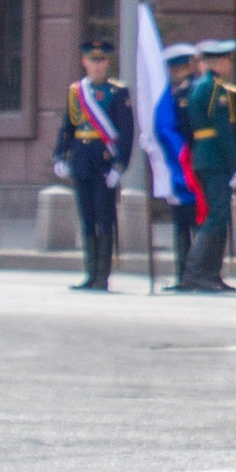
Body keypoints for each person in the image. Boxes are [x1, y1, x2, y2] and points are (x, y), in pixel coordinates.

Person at [53, 38, 135, 291]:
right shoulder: (76, 91)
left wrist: (120, 165)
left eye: (101, 61)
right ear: (84, 62)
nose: (97, 66)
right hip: (81, 159)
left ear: (108, 63)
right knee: (87, 217)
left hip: (104, 161)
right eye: (92, 60)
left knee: (104, 217)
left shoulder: (118, 92)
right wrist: (60, 155)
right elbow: (68, 126)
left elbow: (126, 132)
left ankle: (103, 275)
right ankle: (90, 273)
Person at [174, 42, 236, 293]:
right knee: (217, 215)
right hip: (215, 157)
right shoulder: (214, 88)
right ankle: (197, 272)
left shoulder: (199, 85)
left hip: (204, 155)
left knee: (216, 214)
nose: (229, 66)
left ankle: (210, 273)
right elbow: (222, 130)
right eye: (227, 61)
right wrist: (235, 165)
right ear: (220, 62)